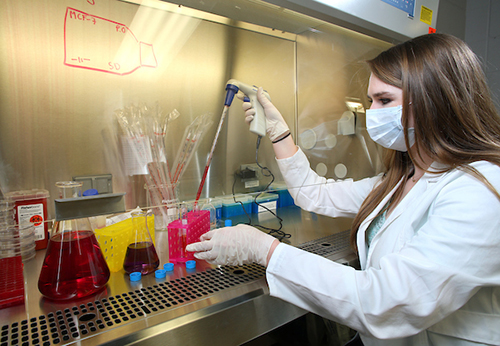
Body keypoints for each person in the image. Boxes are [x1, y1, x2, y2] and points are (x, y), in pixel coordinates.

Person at [186, 33, 500, 345]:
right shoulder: (402, 178)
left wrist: (265, 250)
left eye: (385, 100)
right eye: (371, 101)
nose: (373, 112)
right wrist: (280, 135)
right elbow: (315, 193)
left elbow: (387, 303)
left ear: (434, 102)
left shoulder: (478, 191)